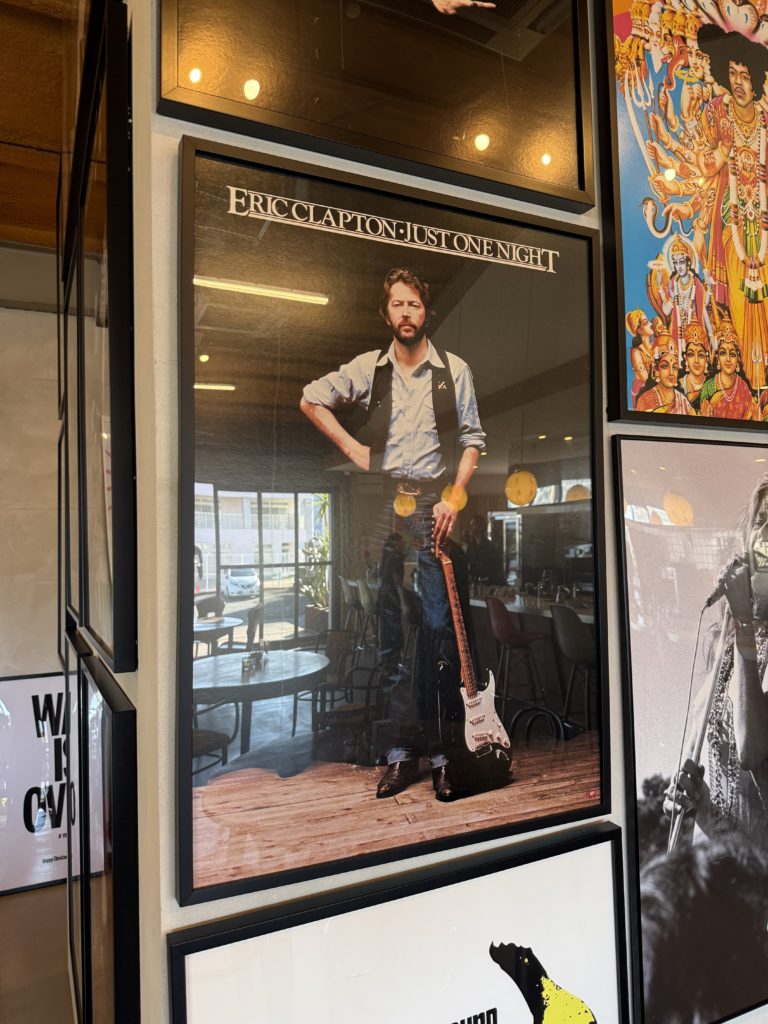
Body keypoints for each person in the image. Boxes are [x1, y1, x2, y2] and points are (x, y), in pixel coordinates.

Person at [300, 267, 486, 801]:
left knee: (441, 635)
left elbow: (473, 440)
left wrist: (453, 496)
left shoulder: (454, 371)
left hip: (433, 508)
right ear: (387, 314)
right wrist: (354, 449)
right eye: (398, 305)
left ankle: (446, 754)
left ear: (427, 313)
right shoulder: (370, 369)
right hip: (387, 506)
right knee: (392, 635)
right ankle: (402, 754)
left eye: (415, 305)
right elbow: (311, 398)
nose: (407, 313)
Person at [663, 475, 768, 849]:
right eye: (761, 521)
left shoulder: (742, 631)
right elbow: (717, 756)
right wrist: (695, 801)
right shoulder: (725, 638)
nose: (764, 536)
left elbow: (751, 750)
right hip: (725, 862)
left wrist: (744, 624)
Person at [698, 315, 757, 419]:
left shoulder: (744, 387)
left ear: (738, 359)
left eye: (732, 354)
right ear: (718, 358)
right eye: (723, 353)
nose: (728, 359)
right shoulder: (708, 387)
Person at [635, 334, 696, 413]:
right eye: (665, 366)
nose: (671, 373)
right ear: (656, 369)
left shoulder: (683, 401)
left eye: (675, 367)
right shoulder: (645, 400)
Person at [678, 318, 710, 412]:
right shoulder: (679, 385)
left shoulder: (712, 385)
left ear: (707, 359)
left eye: (700, 355)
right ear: (686, 358)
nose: (696, 361)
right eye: (691, 355)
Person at [626, 308, 655, 408]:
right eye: (646, 323)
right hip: (642, 394)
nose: (651, 324)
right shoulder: (636, 352)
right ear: (639, 330)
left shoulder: (654, 346)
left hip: (656, 390)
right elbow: (645, 379)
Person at [466, 514, 505, 586]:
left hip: (488, 583)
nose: (471, 528)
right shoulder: (471, 545)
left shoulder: (489, 546)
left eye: (473, 525)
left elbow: (495, 568)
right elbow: (469, 562)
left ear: (480, 526)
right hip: (475, 583)